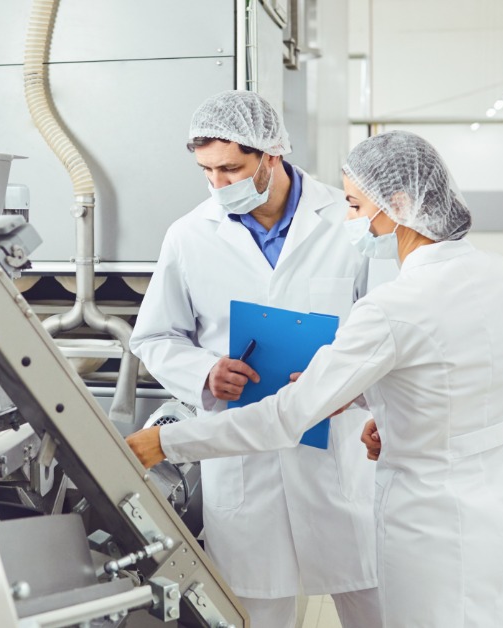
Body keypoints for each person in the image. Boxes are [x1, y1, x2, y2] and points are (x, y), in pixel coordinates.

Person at [128, 130, 503, 628]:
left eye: (354, 205)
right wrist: (383, 404)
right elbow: (453, 372)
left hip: (428, 518)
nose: (347, 219)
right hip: (502, 503)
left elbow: (286, 417)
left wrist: (166, 441)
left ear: (396, 205)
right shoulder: (499, 273)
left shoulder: (394, 307)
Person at [129, 90, 382, 628]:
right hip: (243, 460)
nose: (218, 185)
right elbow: (153, 338)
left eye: (231, 169)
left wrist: (349, 385)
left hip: (334, 449)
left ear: (272, 155)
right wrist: (204, 372)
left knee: (371, 601)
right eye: (206, 171)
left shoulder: (348, 222)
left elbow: (387, 333)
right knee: (255, 610)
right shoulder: (189, 235)